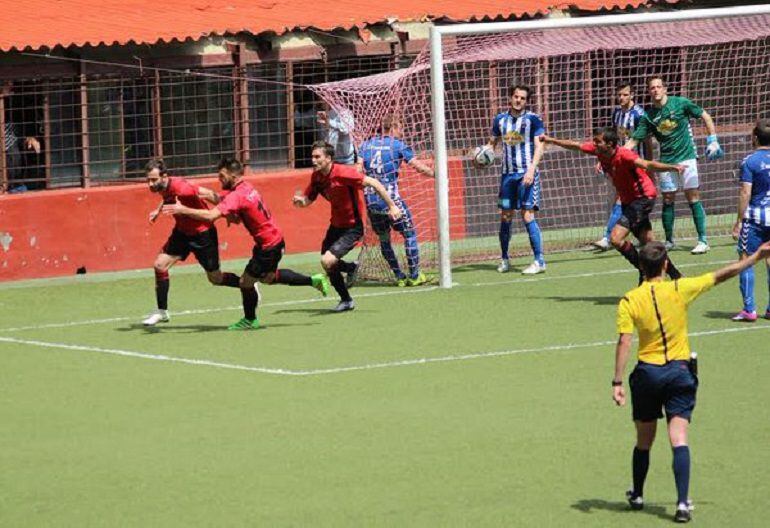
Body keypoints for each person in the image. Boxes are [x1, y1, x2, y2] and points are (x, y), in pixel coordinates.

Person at [612, 240, 770, 523]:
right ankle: (683, 503)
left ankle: (637, 494)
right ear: (665, 265)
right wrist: (757, 256)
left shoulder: (629, 300)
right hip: (679, 374)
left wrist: (617, 381)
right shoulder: (680, 288)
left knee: (644, 440)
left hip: (647, 375)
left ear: (642, 267)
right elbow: (724, 273)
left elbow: (625, 340)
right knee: (679, 438)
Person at [162, 158, 330, 330]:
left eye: (222, 176)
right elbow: (228, 205)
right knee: (268, 278)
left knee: (245, 282)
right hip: (273, 241)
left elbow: (211, 216)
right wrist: (209, 198)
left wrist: (183, 210)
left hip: (268, 246)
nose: (219, 180)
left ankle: (250, 319)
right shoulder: (245, 188)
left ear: (233, 175)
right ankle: (314, 280)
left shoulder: (237, 195)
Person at [541, 128, 683, 282]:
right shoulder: (599, 151)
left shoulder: (625, 155)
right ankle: (676, 275)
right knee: (649, 242)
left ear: (609, 144)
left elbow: (647, 164)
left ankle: (643, 270)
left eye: (598, 141)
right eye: (594, 140)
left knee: (615, 238)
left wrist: (673, 167)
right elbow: (575, 145)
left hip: (643, 198)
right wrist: (552, 140)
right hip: (629, 201)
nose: (594, 144)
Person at [292, 140, 401, 312]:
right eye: (312, 156)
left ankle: (349, 286)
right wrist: (300, 202)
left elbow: (374, 183)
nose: (313, 160)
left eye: (317, 157)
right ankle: (349, 286)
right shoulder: (317, 177)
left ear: (328, 158)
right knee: (327, 263)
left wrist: (392, 206)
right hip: (335, 225)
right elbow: (308, 200)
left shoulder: (344, 173)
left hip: (353, 226)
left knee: (327, 260)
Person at [625, 76, 722, 255]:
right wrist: (618, 155)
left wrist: (713, 139)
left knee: (693, 197)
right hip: (666, 162)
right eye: (652, 88)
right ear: (649, 92)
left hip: (687, 158)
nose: (655, 90)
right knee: (668, 199)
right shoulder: (648, 116)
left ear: (665, 89)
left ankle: (702, 240)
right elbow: (634, 140)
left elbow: (705, 115)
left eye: (658, 87)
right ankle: (669, 241)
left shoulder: (681, 103)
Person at [143, 159, 243, 326]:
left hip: (203, 234)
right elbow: (168, 197)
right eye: (148, 180)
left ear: (164, 176)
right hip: (181, 233)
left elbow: (211, 195)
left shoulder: (183, 188)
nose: (150, 184)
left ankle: (246, 285)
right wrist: (158, 210)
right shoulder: (163, 186)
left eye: (153, 180)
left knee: (215, 278)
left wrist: (230, 214)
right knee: (160, 265)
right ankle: (162, 311)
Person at [358, 114, 434, 286]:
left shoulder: (366, 145)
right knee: (410, 234)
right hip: (390, 200)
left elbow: (357, 170)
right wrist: (437, 174)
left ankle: (399, 276)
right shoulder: (397, 145)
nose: (402, 132)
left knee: (384, 238)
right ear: (392, 128)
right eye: (401, 128)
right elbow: (418, 166)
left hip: (371, 201)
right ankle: (414, 276)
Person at [479, 84, 546, 275]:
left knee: (527, 215)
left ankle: (539, 260)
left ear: (526, 101)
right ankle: (505, 258)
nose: (519, 100)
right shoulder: (500, 120)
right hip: (507, 178)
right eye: (516, 97)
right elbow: (491, 145)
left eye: (523, 98)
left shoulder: (533, 120)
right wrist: (481, 156)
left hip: (526, 176)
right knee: (505, 216)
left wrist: (531, 170)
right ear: (510, 97)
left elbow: (540, 146)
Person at [593, 82, 653, 250]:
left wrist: (648, 164)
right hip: (618, 164)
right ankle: (645, 238)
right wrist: (602, 159)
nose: (621, 98)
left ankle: (607, 237)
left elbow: (647, 141)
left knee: (622, 200)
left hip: (635, 165)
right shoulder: (617, 114)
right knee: (625, 201)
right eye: (619, 95)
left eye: (625, 95)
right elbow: (611, 141)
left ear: (632, 95)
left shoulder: (639, 115)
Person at [731, 119, 770, 322]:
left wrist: (739, 220)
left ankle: (749, 309)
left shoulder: (749, 161)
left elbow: (745, 192)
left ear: (754, 137)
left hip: (755, 218)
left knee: (746, 260)